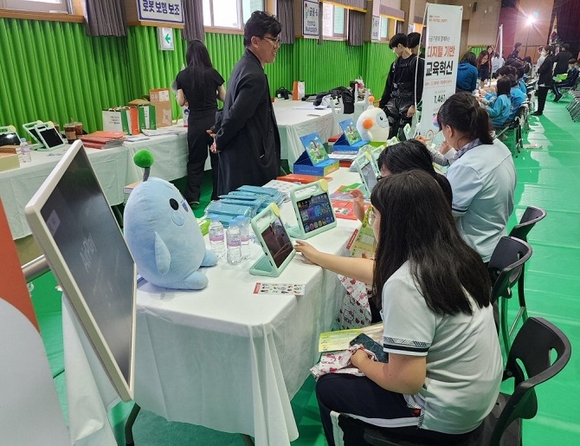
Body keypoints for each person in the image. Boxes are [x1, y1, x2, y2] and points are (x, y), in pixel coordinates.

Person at [315, 170, 502, 446]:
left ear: (394, 224)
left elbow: (406, 381)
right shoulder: (459, 255)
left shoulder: (406, 283)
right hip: (476, 396)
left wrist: (361, 362)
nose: (370, 221)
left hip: (444, 416)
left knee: (327, 387)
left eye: (375, 215)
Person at [295, 139, 452, 287]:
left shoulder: (414, 210)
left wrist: (317, 257)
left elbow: (380, 272)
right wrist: (366, 216)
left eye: (383, 177)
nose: (381, 182)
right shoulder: (432, 193)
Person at [436, 92, 516, 263]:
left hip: (474, 254)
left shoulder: (468, 167)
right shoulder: (498, 146)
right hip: (496, 240)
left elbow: (445, 218)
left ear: (449, 130)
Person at [211, 11, 282, 195]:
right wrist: (220, 139)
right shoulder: (254, 75)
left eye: (277, 40)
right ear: (255, 41)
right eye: (273, 40)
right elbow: (236, 115)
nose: (276, 46)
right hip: (248, 162)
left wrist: (218, 127)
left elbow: (232, 105)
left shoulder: (243, 65)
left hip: (242, 157)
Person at [175, 40, 226, 204]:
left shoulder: (182, 76)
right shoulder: (213, 73)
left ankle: (192, 197)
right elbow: (224, 97)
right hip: (213, 122)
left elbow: (181, 101)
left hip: (195, 122)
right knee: (217, 160)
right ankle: (218, 194)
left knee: (195, 161)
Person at [379, 33, 424, 139]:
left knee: (403, 132)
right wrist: (382, 104)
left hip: (408, 103)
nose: (393, 51)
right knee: (386, 128)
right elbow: (388, 85)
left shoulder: (417, 63)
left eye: (394, 48)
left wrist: (414, 105)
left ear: (400, 46)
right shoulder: (395, 64)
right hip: (394, 100)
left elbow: (419, 85)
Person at [532, 45, 555, 116]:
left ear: (547, 51)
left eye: (544, 50)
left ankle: (539, 111)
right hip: (546, 80)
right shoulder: (550, 58)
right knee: (542, 97)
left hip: (544, 80)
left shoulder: (548, 59)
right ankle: (540, 110)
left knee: (541, 97)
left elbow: (543, 69)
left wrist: (538, 70)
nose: (543, 52)